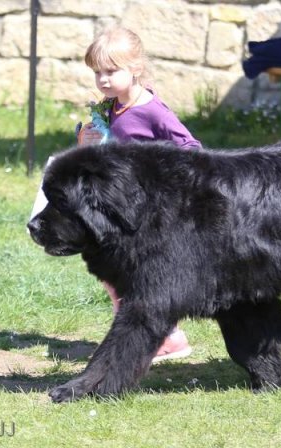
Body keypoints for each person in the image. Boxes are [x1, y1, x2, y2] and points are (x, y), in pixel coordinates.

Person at [79, 26, 200, 361]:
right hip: (118, 205)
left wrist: (157, 177)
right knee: (111, 272)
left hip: (146, 210)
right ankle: (149, 332)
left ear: (135, 69)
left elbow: (190, 148)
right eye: (97, 72)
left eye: (111, 71)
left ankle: (164, 336)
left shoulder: (151, 110)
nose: (102, 79)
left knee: (134, 275)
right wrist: (85, 144)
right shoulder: (112, 106)